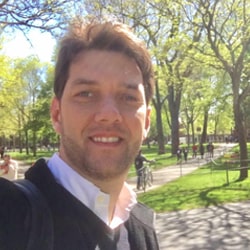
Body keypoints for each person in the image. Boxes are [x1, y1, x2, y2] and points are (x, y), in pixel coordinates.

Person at [0, 18, 159, 250]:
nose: (109, 114)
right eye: (86, 94)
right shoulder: (9, 216)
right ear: (56, 114)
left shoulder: (142, 228)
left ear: (146, 122)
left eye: (128, 97)